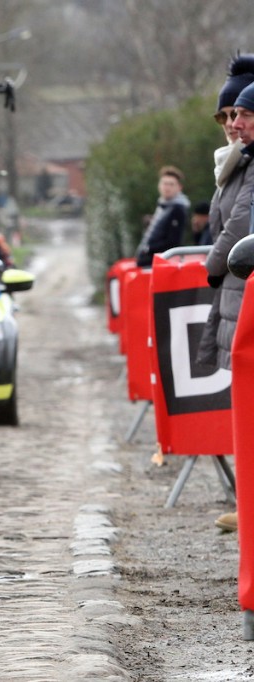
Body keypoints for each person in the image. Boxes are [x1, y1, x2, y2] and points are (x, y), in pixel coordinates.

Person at [201, 57, 254, 534]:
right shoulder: (233, 164)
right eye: (225, 117)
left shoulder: (247, 166)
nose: (231, 125)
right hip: (236, 292)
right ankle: (245, 499)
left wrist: (211, 265)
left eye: (239, 115)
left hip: (242, 289)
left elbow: (239, 224)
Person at [135, 166, 190, 268]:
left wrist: (148, 248)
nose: (167, 187)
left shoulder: (177, 209)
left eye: (171, 184)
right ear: (159, 185)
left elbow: (173, 242)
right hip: (153, 261)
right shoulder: (163, 205)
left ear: (179, 187)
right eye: (165, 183)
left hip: (161, 264)